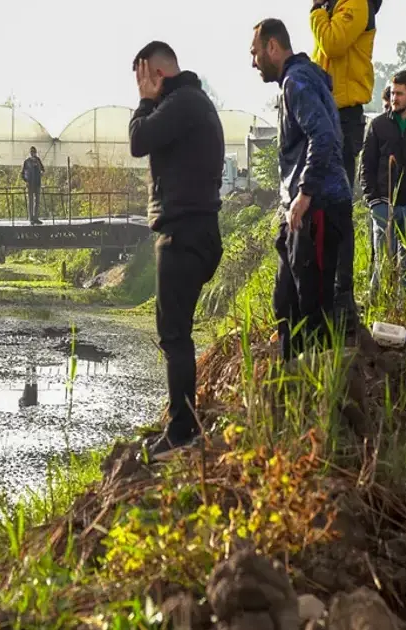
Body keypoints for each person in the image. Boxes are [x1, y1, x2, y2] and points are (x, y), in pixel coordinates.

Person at [127, 40, 225, 461]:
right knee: (176, 334)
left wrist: (144, 102)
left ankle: (182, 432)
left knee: (174, 336)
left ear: (156, 73)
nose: (140, 88)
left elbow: (138, 139)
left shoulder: (181, 102)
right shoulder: (190, 102)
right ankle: (180, 422)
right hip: (194, 231)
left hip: (185, 233)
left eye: (142, 79)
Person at [252, 18, 352, 363]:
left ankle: (323, 398)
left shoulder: (297, 83)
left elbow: (323, 136)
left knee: (313, 311)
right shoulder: (300, 81)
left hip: (318, 208)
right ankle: (291, 392)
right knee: (286, 303)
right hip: (301, 212)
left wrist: (305, 193)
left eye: (255, 52)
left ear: (273, 47)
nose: (253, 62)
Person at [310, 0, 381, 339]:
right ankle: (325, 297)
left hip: (345, 118)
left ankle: (342, 299)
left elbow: (333, 43)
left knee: (337, 210)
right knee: (322, 210)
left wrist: (315, 12)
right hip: (329, 115)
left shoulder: (355, 4)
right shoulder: (333, 7)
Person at [361, 71, 406, 294]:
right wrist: (373, 200)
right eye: (393, 93)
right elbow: (366, 165)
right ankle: (378, 306)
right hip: (384, 204)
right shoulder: (378, 125)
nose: (394, 98)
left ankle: (403, 312)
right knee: (382, 263)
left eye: (400, 94)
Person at [21, 147, 45, 225]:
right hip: (30, 183)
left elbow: (43, 169)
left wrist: (41, 173)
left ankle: (36, 218)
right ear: (30, 153)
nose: (33, 153)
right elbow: (22, 173)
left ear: (36, 152)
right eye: (31, 152)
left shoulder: (38, 160)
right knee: (30, 201)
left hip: (37, 183)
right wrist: (26, 180)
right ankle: (31, 218)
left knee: (37, 201)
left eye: (34, 152)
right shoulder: (27, 162)